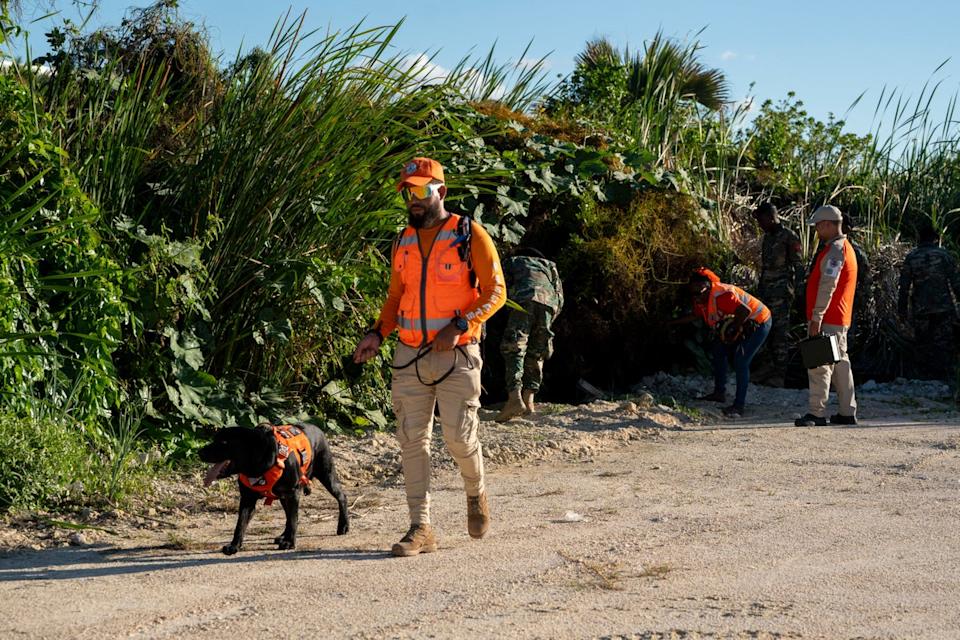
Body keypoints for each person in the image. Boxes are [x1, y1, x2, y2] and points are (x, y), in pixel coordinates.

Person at [352, 157, 506, 557]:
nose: (414, 199)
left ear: (442, 191)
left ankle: (476, 493)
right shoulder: (402, 240)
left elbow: (496, 292)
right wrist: (376, 334)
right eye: (408, 192)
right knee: (411, 441)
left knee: (458, 436)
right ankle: (421, 527)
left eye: (421, 190)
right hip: (409, 356)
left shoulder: (470, 234)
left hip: (458, 355)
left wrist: (459, 325)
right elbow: (395, 298)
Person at [670, 267, 772, 418]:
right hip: (741, 323)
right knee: (718, 351)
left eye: (698, 294)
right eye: (692, 294)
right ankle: (719, 393)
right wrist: (672, 322)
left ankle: (739, 405)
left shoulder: (723, 296)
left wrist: (733, 331)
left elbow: (745, 311)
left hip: (759, 322)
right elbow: (695, 315)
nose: (695, 298)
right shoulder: (702, 297)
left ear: (707, 288)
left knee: (741, 361)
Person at [795, 205, 858, 427]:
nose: (817, 231)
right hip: (839, 317)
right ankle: (846, 412)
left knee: (819, 364)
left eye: (819, 226)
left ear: (829, 225)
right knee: (841, 364)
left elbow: (827, 286)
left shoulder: (835, 250)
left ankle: (816, 413)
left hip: (828, 317)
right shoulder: (844, 247)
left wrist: (816, 317)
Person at [495, 247, 564, 422]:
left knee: (515, 347)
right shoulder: (550, 266)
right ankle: (529, 400)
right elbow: (560, 296)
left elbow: (499, 286)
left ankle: (514, 398)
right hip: (549, 303)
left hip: (523, 299)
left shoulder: (512, 262)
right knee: (538, 350)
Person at [897, 220, 960, 380]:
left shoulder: (912, 257)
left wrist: (902, 311)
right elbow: (956, 283)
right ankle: (945, 376)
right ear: (934, 238)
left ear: (919, 238)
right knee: (944, 343)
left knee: (923, 343)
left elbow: (904, 287)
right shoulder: (944, 255)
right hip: (943, 307)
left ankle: (925, 376)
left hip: (921, 308)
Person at [752, 203, 804, 387]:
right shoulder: (768, 237)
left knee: (780, 334)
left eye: (761, 219)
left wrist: (799, 293)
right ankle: (767, 369)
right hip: (766, 291)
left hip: (781, 293)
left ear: (770, 217)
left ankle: (780, 375)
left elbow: (799, 266)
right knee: (765, 330)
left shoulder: (789, 237)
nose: (759, 224)